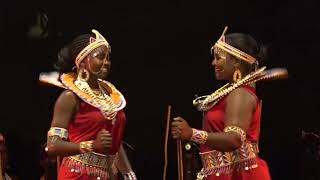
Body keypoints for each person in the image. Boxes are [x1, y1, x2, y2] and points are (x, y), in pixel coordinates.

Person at [171, 27, 281, 180]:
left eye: (218, 58)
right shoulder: (232, 91)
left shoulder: (241, 94)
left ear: (236, 61)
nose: (213, 63)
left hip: (241, 175)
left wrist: (192, 134)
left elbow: (234, 139)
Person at [41, 29, 136, 180]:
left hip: (108, 175)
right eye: (100, 57)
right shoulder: (69, 97)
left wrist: (129, 175)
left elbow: (115, 145)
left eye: (108, 58)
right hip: (77, 175)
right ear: (83, 61)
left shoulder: (111, 96)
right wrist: (91, 145)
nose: (106, 62)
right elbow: (53, 146)